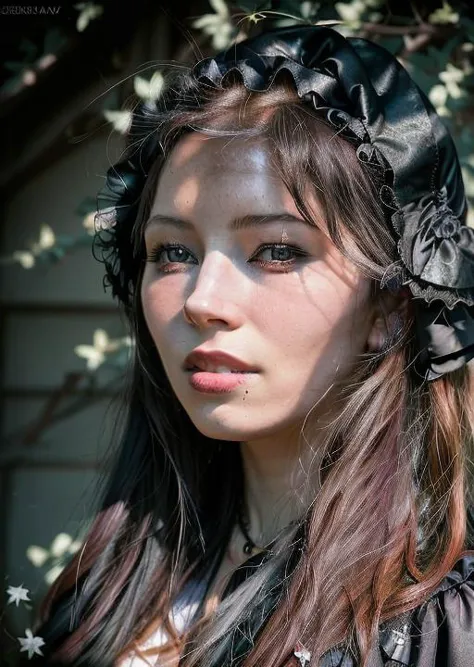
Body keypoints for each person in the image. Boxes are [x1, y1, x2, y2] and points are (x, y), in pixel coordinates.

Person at [31, 24, 474, 667]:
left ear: (391, 303)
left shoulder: (438, 629)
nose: (203, 300)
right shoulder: (102, 590)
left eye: (275, 250)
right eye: (173, 252)